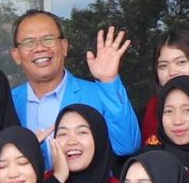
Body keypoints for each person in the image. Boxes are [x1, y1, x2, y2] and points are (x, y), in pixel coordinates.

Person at [8, 13, 139, 154]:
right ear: (16, 55)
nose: (40, 48)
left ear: (64, 46)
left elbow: (127, 146)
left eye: (48, 39)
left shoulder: (98, 94)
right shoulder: (8, 102)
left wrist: (109, 81)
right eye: (29, 42)